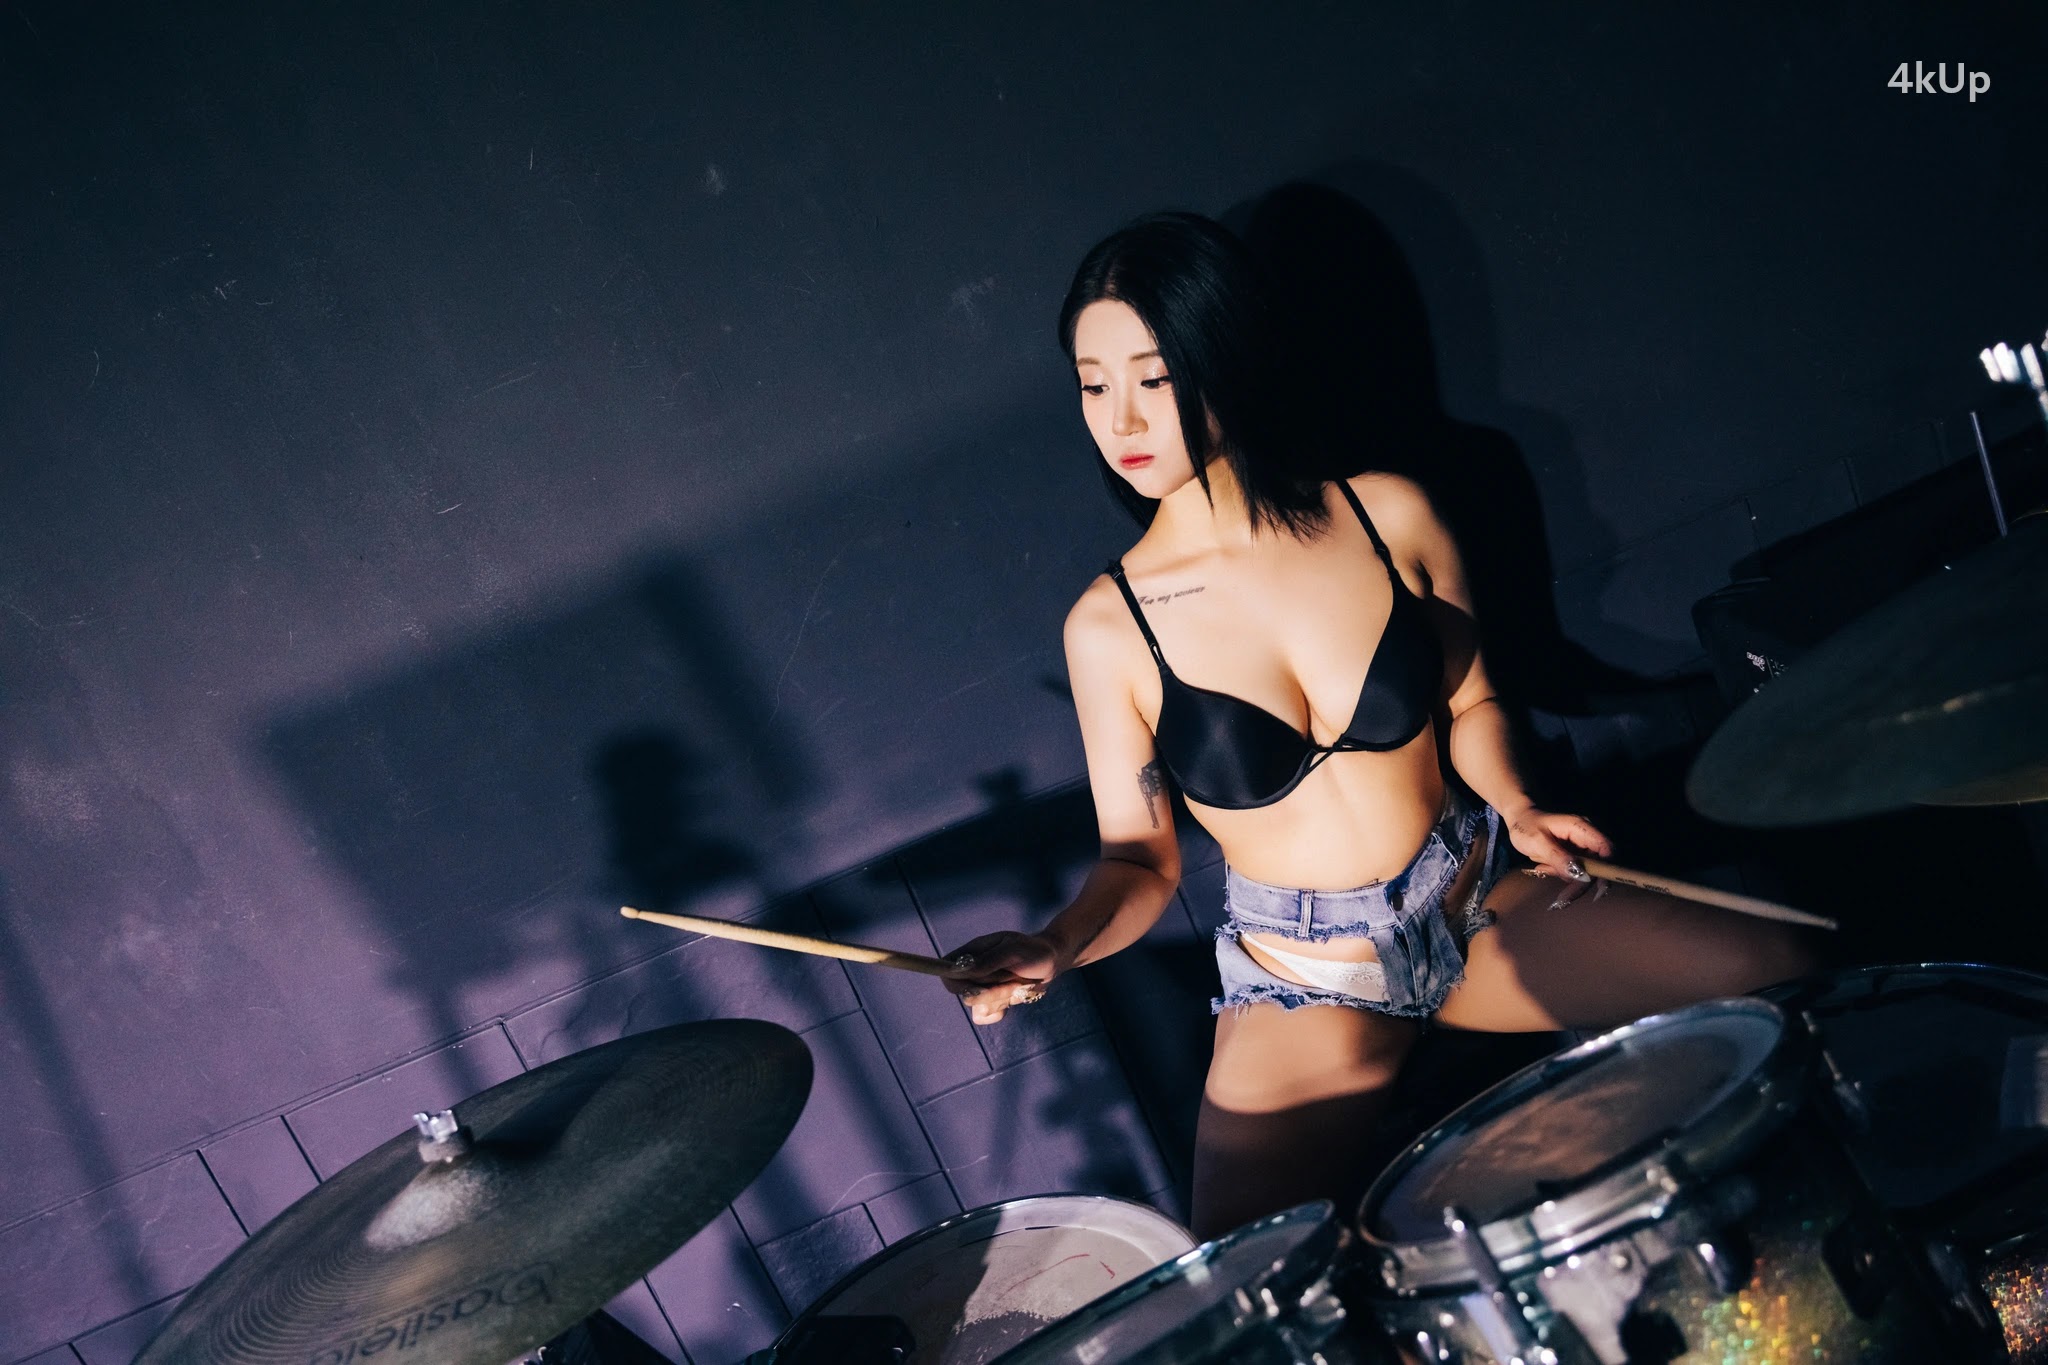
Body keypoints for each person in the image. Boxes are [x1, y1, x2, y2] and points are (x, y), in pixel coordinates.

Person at [939, 212, 1812, 1240]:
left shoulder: (1384, 516)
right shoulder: (1110, 625)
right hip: (1307, 976)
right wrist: (1052, 945)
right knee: (1253, 1274)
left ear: (1225, 361)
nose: (1119, 418)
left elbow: (1473, 702)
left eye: (1153, 378)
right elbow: (1140, 860)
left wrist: (1519, 805)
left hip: (1473, 899)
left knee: (1782, 977)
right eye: (1092, 385)